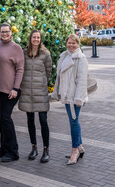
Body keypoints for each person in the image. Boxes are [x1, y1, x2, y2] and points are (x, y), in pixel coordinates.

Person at [51, 34, 88, 165]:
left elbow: (82, 82)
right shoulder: (64, 56)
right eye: (69, 43)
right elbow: (59, 77)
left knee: (74, 122)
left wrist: (78, 99)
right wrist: (57, 92)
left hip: (75, 97)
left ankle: (75, 151)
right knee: (73, 121)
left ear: (78, 44)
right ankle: (79, 147)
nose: (71, 45)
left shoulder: (81, 58)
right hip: (67, 95)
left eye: (74, 43)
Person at [18, 29, 52, 163]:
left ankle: (46, 149)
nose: (36, 40)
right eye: (34, 37)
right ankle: (34, 147)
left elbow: (48, 72)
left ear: (40, 39)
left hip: (41, 92)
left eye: (38, 38)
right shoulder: (24, 53)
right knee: (30, 120)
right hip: (27, 91)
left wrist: (43, 83)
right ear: (30, 39)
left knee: (43, 120)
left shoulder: (45, 54)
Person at [0, 22, 24, 162]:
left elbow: (20, 69)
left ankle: (13, 152)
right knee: (1, 120)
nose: (4, 34)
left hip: (10, 91)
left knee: (6, 118)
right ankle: (3, 148)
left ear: (11, 32)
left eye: (7, 31)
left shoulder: (16, 48)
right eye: (2, 31)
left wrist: (15, 88)